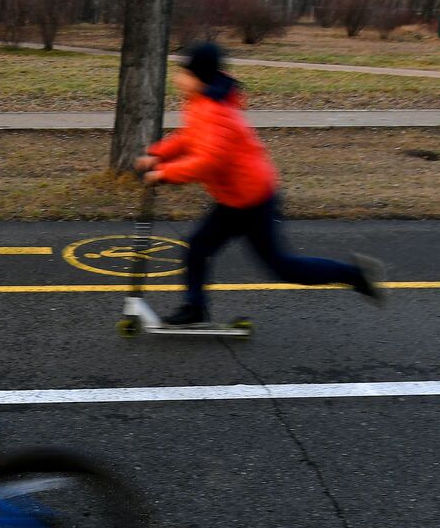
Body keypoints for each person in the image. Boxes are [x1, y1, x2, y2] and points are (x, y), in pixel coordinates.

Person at [136, 42, 383, 326]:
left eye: (183, 72)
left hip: (253, 201)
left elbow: (208, 161)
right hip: (232, 199)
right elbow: (188, 138)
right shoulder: (201, 103)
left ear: (198, 77)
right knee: (197, 248)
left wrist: (164, 173)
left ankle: (355, 275)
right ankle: (194, 307)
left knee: (283, 267)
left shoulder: (216, 113)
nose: (177, 78)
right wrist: (157, 154)